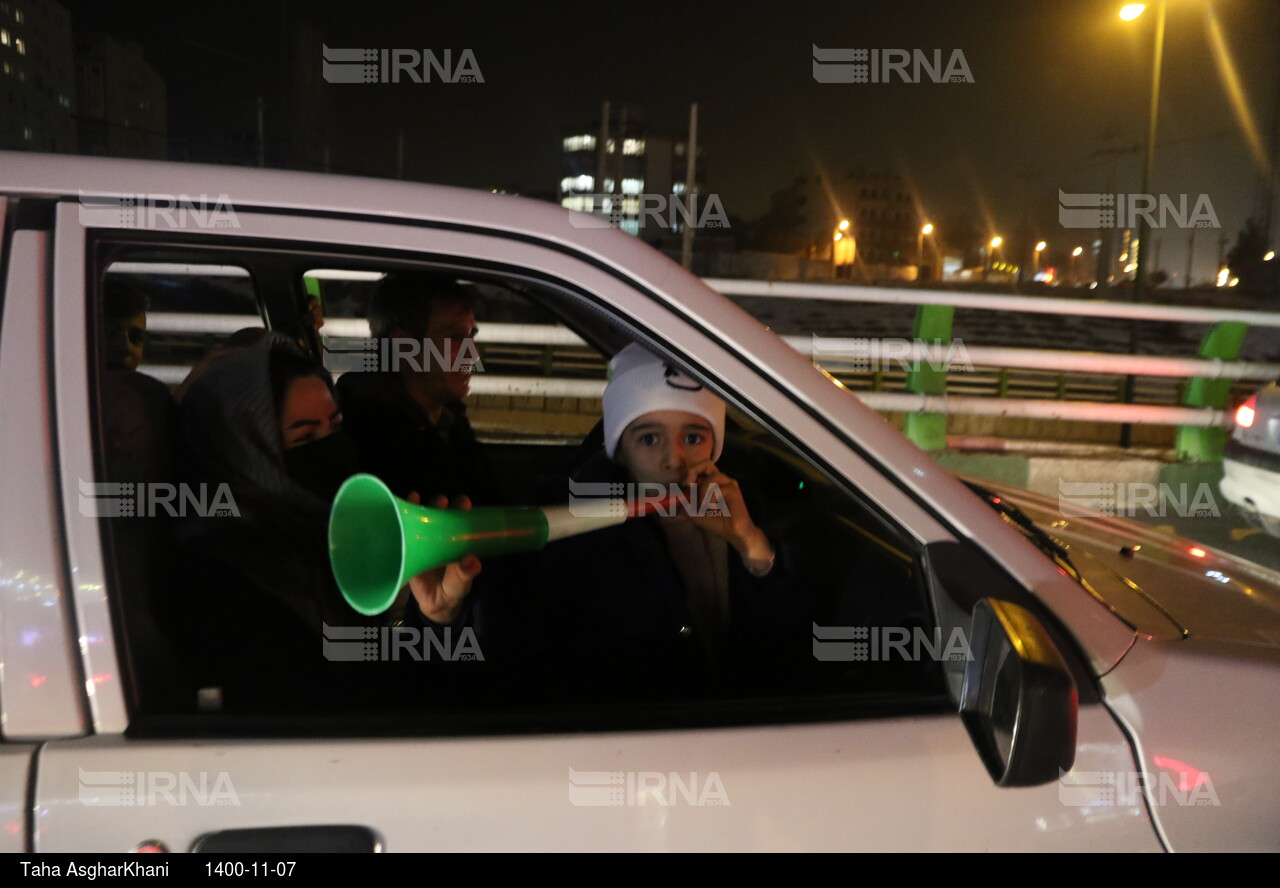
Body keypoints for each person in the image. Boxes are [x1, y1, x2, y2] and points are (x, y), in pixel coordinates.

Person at [405, 343, 808, 701]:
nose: (673, 460)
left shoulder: (741, 506)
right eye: (649, 439)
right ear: (620, 452)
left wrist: (751, 545)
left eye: (693, 437)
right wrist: (445, 622)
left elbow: (786, 655)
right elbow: (508, 668)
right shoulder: (570, 534)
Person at [167, 333, 476, 711]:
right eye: (304, 438)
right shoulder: (216, 581)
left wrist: (434, 617)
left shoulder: (318, 535)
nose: (331, 450)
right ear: (247, 453)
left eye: (335, 427)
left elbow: (381, 679)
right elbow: (351, 707)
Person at [336, 273, 499, 503]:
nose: (473, 355)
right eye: (454, 337)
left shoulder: (447, 415)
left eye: (471, 335)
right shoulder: (373, 443)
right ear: (404, 346)